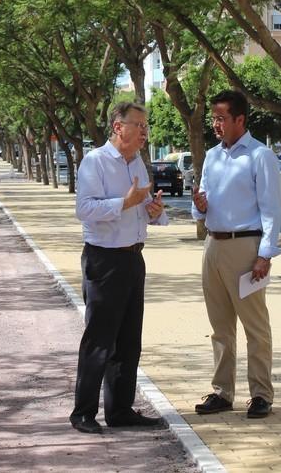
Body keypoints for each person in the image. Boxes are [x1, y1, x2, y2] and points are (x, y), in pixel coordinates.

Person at [70, 101, 168, 434]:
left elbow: (141, 210)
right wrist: (123, 203)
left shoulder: (138, 162)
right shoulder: (95, 161)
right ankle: (83, 412)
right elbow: (83, 209)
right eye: (138, 125)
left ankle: (121, 410)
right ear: (118, 127)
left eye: (145, 126)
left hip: (133, 258)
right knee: (99, 339)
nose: (144, 132)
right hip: (104, 259)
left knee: (129, 340)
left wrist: (154, 211)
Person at [191, 90, 281, 419]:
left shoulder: (260, 156)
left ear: (240, 120)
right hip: (213, 244)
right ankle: (222, 391)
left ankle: (261, 393)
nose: (215, 124)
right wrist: (198, 206)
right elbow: (201, 204)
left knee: (255, 326)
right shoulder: (213, 157)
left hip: (246, 247)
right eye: (213, 118)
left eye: (221, 118)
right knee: (220, 326)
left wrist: (265, 255)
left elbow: (271, 209)